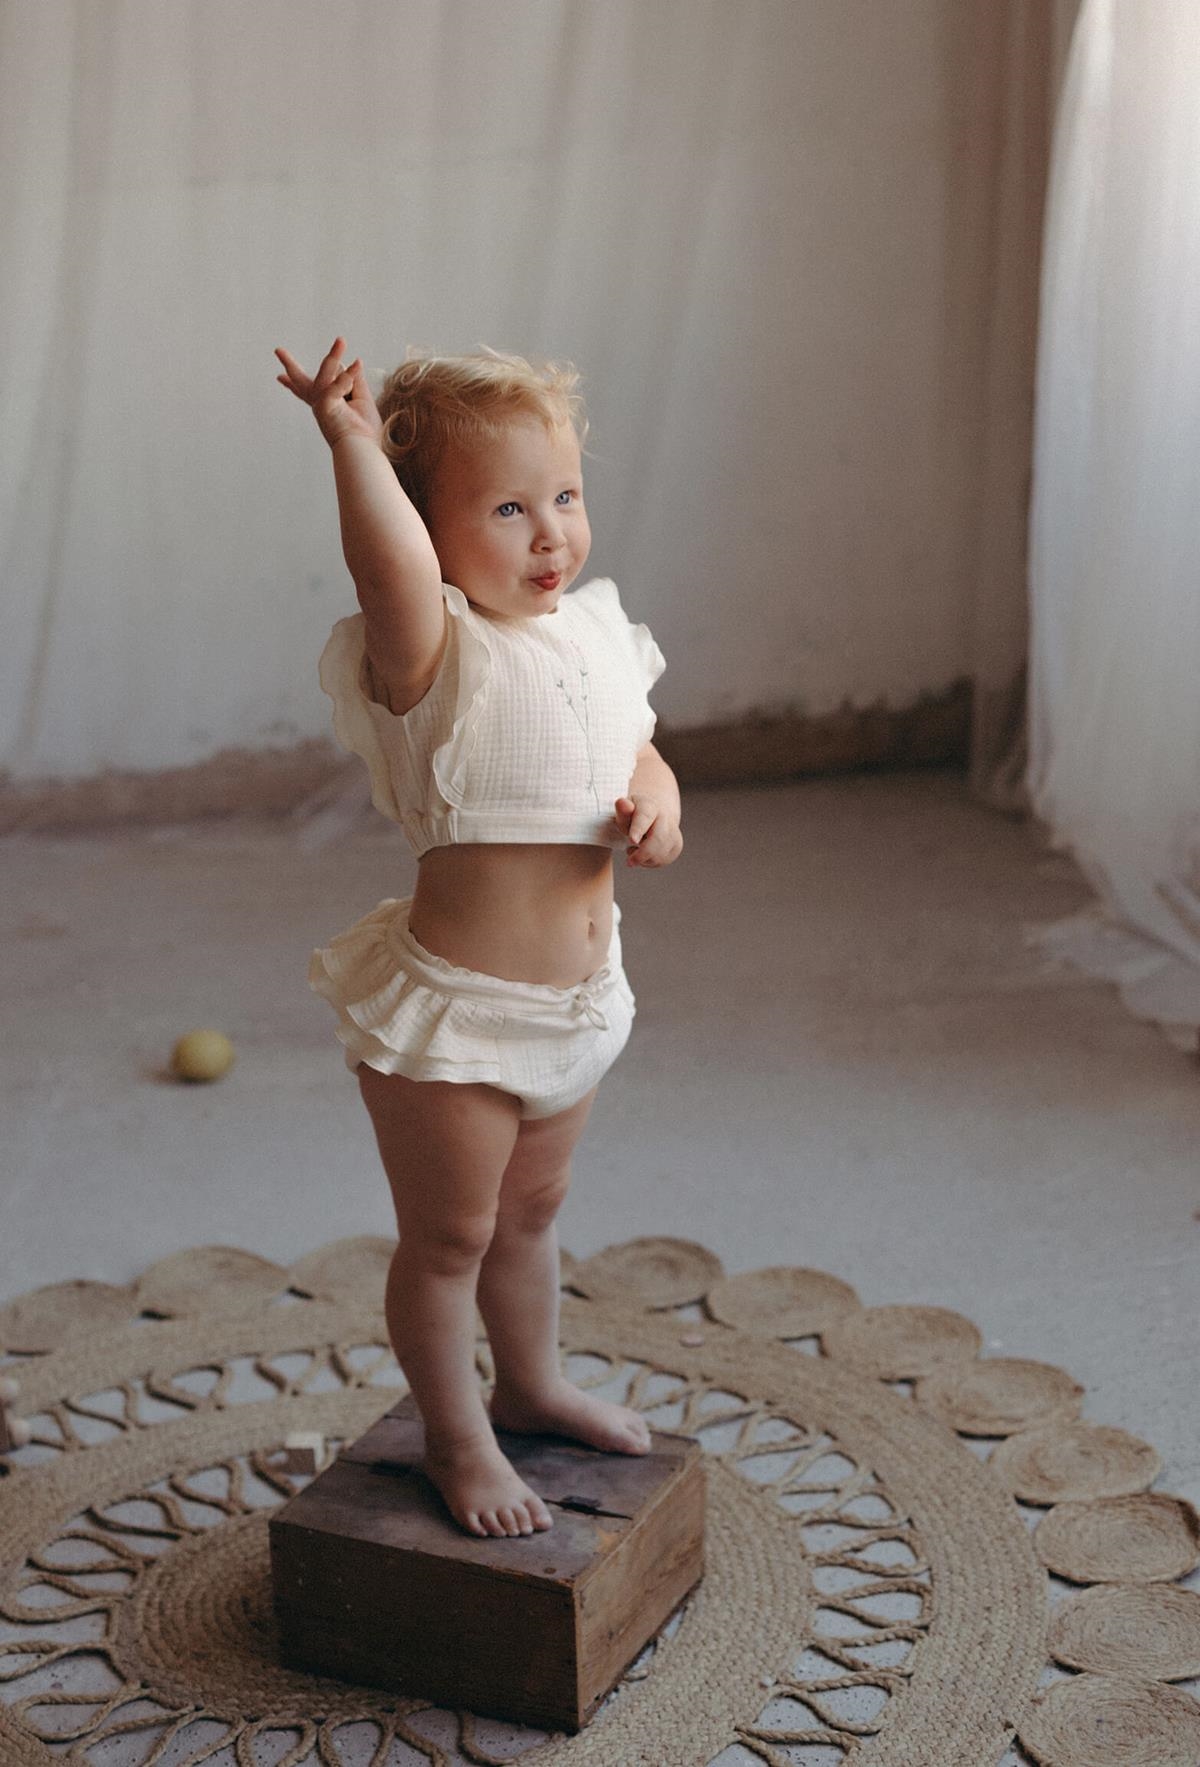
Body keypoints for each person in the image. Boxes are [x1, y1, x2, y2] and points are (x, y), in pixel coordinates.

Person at [275, 338, 682, 1539]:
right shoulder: (431, 651)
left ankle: (533, 1384)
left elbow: (638, 745)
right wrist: (354, 445)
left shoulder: (596, 634)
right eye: (507, 509)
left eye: (564, 496)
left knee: (531, 1219)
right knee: (450, 1237)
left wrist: (658, 800)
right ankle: (457, 1442)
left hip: (582, 1007)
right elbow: (387, 560)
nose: (551, 534)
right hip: (460, 1021)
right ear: (427, 531)